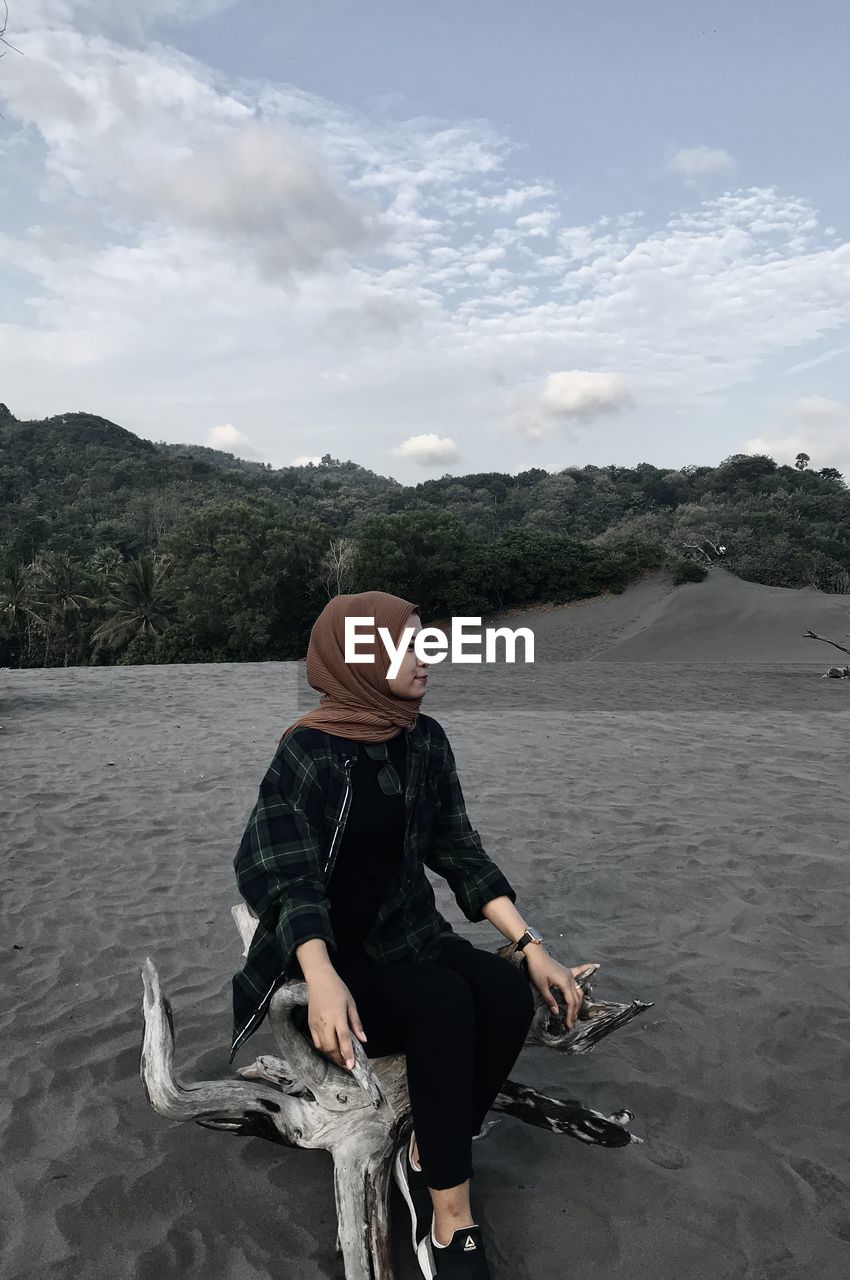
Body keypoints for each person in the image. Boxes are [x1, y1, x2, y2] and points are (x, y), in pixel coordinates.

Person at [230, 590, 596, 1279]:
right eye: (407, 643)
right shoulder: (306, 751)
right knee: (445, 1006)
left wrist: (530, 945)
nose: (427, 656)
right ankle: (449, 1219)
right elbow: (286, 876)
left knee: (506, 997)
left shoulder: (423, 740)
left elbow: (459, 849)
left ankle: (430, 1150)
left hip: (408, 936)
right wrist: (322, 976)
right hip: (331, 959)